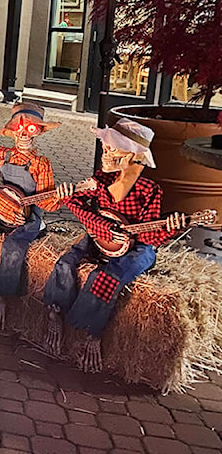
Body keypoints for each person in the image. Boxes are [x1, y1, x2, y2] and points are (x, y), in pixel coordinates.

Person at [43, 118, 182, 372]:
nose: (105, 152)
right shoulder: (101, 180)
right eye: (105, 146)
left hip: (136, 246)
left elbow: (150, 237)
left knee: (107, 276)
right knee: (65, 263)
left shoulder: (149, 190)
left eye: (112, 148)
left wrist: (171, 228)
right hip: (99, 237)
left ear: (133, 155)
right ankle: (55, 311)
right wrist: (98, 224)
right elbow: (75, 203)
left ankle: (91, 332)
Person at [0, 102, 63, 331]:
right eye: (18, 129)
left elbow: (47, 202)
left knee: (13, 246)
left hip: (27, 217)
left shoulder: (41, 163)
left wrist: (61, 197)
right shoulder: (1, 154)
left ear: (38, 132)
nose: (23, 135)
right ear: (11, 131)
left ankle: (1, 296)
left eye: (30, 129)